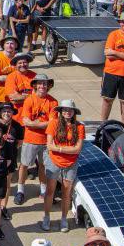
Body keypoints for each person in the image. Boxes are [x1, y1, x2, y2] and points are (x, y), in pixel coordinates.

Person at [43, 99, 84, 233]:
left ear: (74, 112)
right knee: (50, 191)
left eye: (70, 110)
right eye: (65, 110)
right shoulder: (53, 123)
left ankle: (64, 219)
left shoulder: (79, 127)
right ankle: (46, 217)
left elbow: (77, 149)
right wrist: (68, 149)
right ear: (61, 111)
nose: (67, 112)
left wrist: (59, 148)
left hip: (71, 164)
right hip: (53, 161)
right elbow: (49, 145)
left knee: (67, 193)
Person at [16, 73, 55, 206]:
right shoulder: (29, 100)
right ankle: (20, 190)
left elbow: (52, 123)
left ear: (48, 86)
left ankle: (43, 190)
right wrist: (42, 124)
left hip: (46, 140)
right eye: (40, 83)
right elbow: (26, 121)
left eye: (45, 83)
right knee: (24, 165)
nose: (42, 86)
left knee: (43, 166)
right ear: (35, 85)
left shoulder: (53, 102)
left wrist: (35, 124)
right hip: (30, 139)